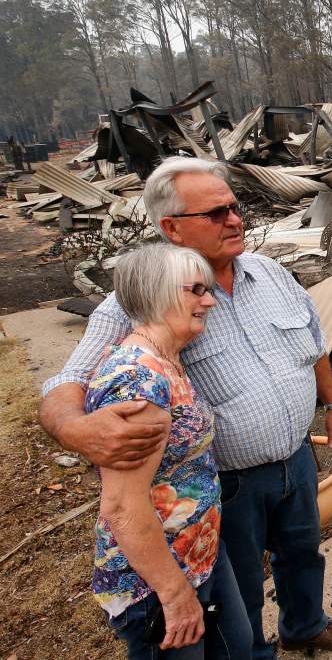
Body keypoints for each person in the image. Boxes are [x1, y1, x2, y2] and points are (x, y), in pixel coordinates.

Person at [40, 157, 332, 657]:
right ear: (170, 227)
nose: (235, 220)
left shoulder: (271, 273)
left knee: (302, 553)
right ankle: (254, 651)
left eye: (234, 207)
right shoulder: (142, 299)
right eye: (215, 214)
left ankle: (305, 624)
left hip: (296, 458)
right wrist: (73, 429)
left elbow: (314, 343)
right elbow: (70, 379)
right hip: (228, 481)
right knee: (239, 593)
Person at [87, 244, 251, 658]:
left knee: (238, 646)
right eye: (196, 289)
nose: (209, 300)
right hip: (157, 582)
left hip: (199, 551)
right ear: (159, 292)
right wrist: (174, 594)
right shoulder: (138, 382)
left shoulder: (168, 359)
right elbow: (122, 505)